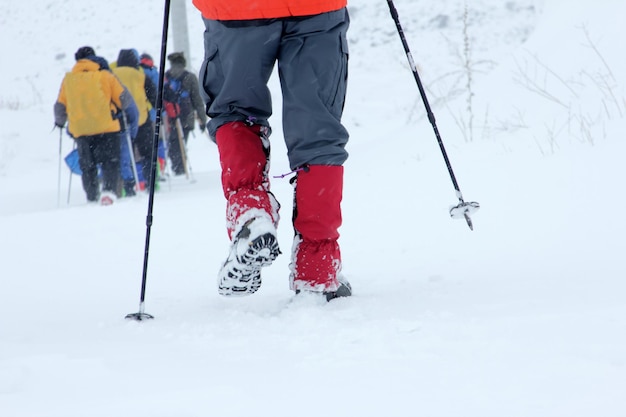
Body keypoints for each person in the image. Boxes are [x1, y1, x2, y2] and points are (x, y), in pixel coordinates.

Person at [192, 0, 352, 301]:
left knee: (235, 111)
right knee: (318, 133)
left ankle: (251, 212)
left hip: (235, 10)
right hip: (317, 9)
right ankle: (317, 271)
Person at [54, 46, 138, 205]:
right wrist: (122, 111)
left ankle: (92, 196)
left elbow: (59, 106)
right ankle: (108, 192)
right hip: (107, 127)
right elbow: (124, 98)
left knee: (88, 165)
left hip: (81, 130)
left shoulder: (68, 80)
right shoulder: (105, 76)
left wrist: (60, 122)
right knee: (110, 162)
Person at [112, 49, 157, 194]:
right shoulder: (140, 76)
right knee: (147, 154)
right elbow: (155, 98)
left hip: (121, 123)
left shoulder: (111, 75)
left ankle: (127, 185)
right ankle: (150, 183)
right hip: (142, 120)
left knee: (125, 155)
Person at [163, 52, 208, 176]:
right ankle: (181, 168)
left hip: (169, 116)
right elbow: (197, 100)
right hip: (186, 116)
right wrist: (203, 120)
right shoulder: (190, 77)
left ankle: (176, 166)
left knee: (173, 142)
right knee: (182, 142)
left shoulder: (165, 76)